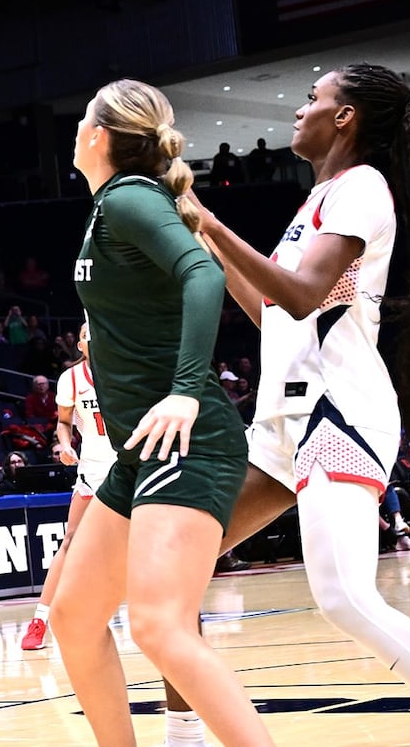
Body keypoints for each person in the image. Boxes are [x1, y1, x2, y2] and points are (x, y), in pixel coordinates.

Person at [164, 64, 410, 747]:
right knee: (178, 563)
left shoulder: (361, 189)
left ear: (345, 118)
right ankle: (182, 735)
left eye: (313, 100)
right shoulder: (321, 198)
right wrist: (204, 237)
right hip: (284, 419)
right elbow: (278, 311)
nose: (300, 111)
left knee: (344, 597)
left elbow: (302, 296)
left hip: (338, 413)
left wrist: (213, 218)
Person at [46, 79, 270, 747]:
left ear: (98, 135)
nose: (76, 130)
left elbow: (201, 276)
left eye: (82, 118)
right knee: (74, 616)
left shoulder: (129, 197)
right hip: (143, 449)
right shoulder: (112, 206)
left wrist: (184, 388)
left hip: (188, 437)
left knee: (159, 625)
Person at [21, 322, 114, 651]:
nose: (96, 338)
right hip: (92, 466)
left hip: (128, 467)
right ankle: (39, 620)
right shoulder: (71, 379)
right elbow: (63, 422)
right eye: (90, 334)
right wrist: (65, 446)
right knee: (71, 541)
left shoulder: (127, 370)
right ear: (81, 344)